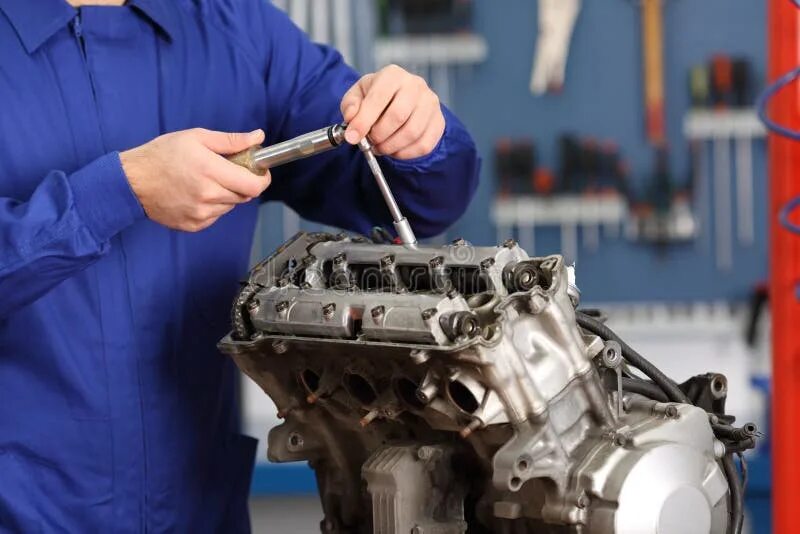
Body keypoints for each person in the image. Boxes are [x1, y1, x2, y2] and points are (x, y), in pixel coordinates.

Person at [0, 0, 480, 531]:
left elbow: (426, 197)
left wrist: (417, 134)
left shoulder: (234, 29)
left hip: (197, 511)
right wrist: (114, 194)